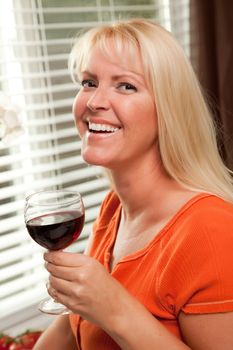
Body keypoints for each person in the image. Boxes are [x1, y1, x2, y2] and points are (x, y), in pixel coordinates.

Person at [34, 18, 233, 350]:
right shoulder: (114, 208)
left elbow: (104, 309)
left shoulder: (212, 230)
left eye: (125, 85)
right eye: (88, 82)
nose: (95, 101)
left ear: (167, 109)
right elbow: (72, 329)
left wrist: (114, 309)